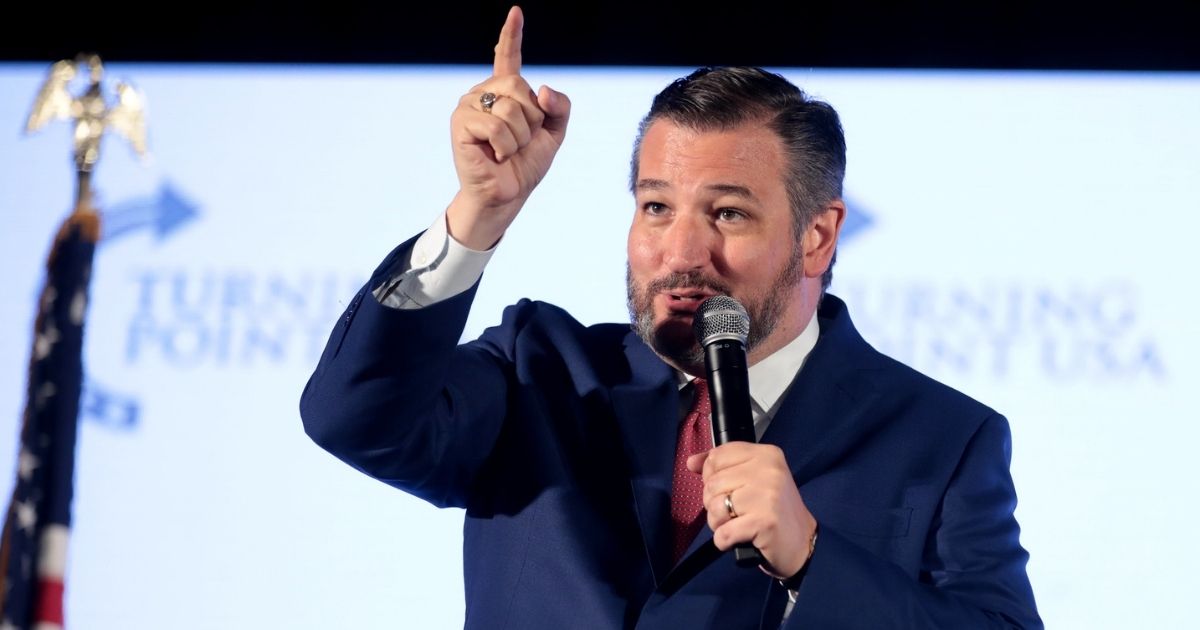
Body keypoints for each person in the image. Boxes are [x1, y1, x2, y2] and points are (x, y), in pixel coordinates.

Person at [300, 6, 1041, 628]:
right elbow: (354, 417)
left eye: (728, 213)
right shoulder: (541, 372)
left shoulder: (941, 441)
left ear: (816, 235)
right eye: (656, 206)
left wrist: (815, 560)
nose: (681, 251)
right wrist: (477, 213)